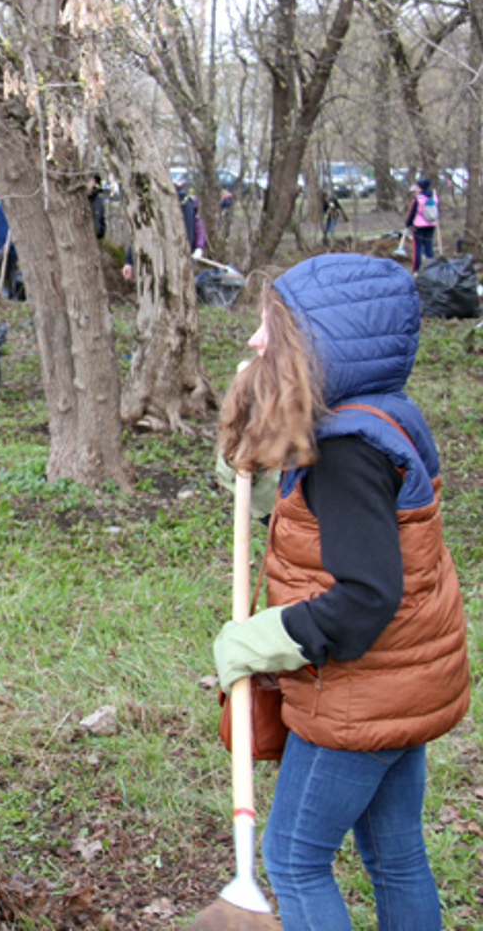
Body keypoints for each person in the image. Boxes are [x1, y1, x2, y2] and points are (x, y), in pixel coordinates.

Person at [213, 253, 469, 930]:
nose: (255, 341)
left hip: (359, 695)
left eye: (271, 326)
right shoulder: (380, 414)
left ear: (317, 343)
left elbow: (366, 594)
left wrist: (263, 640)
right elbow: (320, 524)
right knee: (395, 852)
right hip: (403, 685)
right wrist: (257, 463)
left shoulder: (348, 452)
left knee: (293, 857)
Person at [122, 183, 206, 282]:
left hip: (173, 261)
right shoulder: (149, 202)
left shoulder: (183, 203)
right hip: (153, 261)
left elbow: (190, 234)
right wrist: (129, 261)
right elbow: (140, 232)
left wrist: (194, 252)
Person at [0, 186, 22, 299]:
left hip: (11, 250)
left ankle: (13, 294)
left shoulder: (14, 212)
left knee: (12, 272)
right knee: (0, 271)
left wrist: (10, 244)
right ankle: (3, 293)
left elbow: (16, 230)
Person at [405, 175, 439, 272]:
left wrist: (408, 224)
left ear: (421, 187)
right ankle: (431, 267)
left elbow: (412, 212)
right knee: (429, 246)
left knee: (418, 247)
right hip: (431, 224)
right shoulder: (434, 197)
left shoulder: (418, 199)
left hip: (419, 225)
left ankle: (416, 268)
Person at [87, 173, 107, 240]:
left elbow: (100, 217)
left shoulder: (98, 197)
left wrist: (100, 230)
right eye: (91, 180)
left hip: (95, 236)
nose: (92, 183)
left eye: (94, 181)